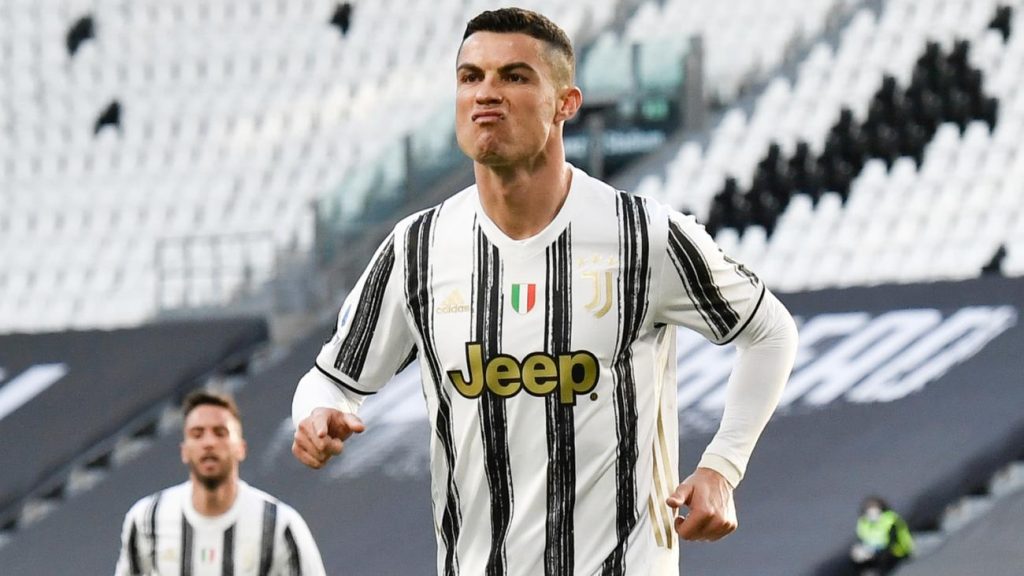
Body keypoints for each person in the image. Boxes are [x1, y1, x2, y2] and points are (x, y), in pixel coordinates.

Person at [291, 7, 798, 575]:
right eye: (471, 76)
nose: (486, 93)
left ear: (566, 103)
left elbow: (770, 332)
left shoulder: (642, 235)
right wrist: (317, 413)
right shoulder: (418, 249)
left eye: (514, 76)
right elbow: (331, 380)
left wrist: (722, 467)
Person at [115, 391, 326, 575]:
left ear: (241, 448)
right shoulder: (147, 518)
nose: (209, 443)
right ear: (184, 451)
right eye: (197, 434)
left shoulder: (280, 525)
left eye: (220, 433)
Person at [850, 496, 915, 575]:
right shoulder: (864, 523)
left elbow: (892, 542)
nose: (873, 515)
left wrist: (874, 553)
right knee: (857, 554)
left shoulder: (890, 521)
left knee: (883, 557)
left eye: (875, 512)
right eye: (870, 513)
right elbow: (861, 539)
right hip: (875, 550)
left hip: (897, 551)